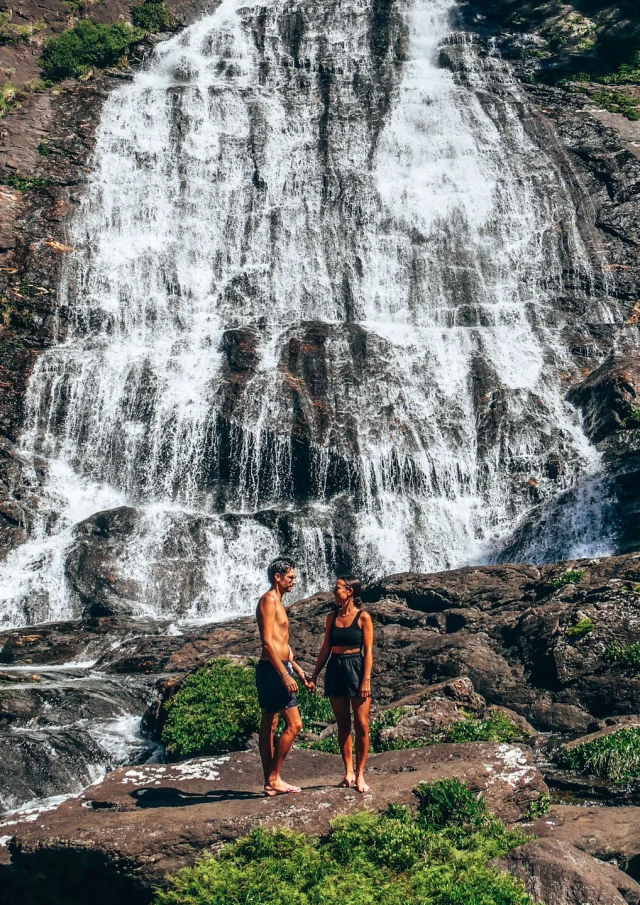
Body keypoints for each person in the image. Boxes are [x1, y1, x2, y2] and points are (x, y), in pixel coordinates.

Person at [308, 577, 373, 793]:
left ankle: (361, 774)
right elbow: (326, 648)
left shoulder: (363, 618)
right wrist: (315, 674)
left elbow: (369, 652)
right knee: (343, 724)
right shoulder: (331, 617)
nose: (334, 592)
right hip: (335, 668)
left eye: (337, 589)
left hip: (356, 667)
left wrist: (365, 680)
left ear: (350, 591)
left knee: (362, 724)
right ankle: (348, 772)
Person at [255, 556, 310, 797]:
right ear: (277, 577)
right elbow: (267, 642)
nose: (294, 582)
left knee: (270, 724)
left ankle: (269, 780)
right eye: (290, 578)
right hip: (274, 671)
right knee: (294, 724)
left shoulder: (277, 601)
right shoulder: (269, 600)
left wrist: (296, 670)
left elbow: (280, 644)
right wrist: (284, 675)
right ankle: (274, 778)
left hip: (277, 668)